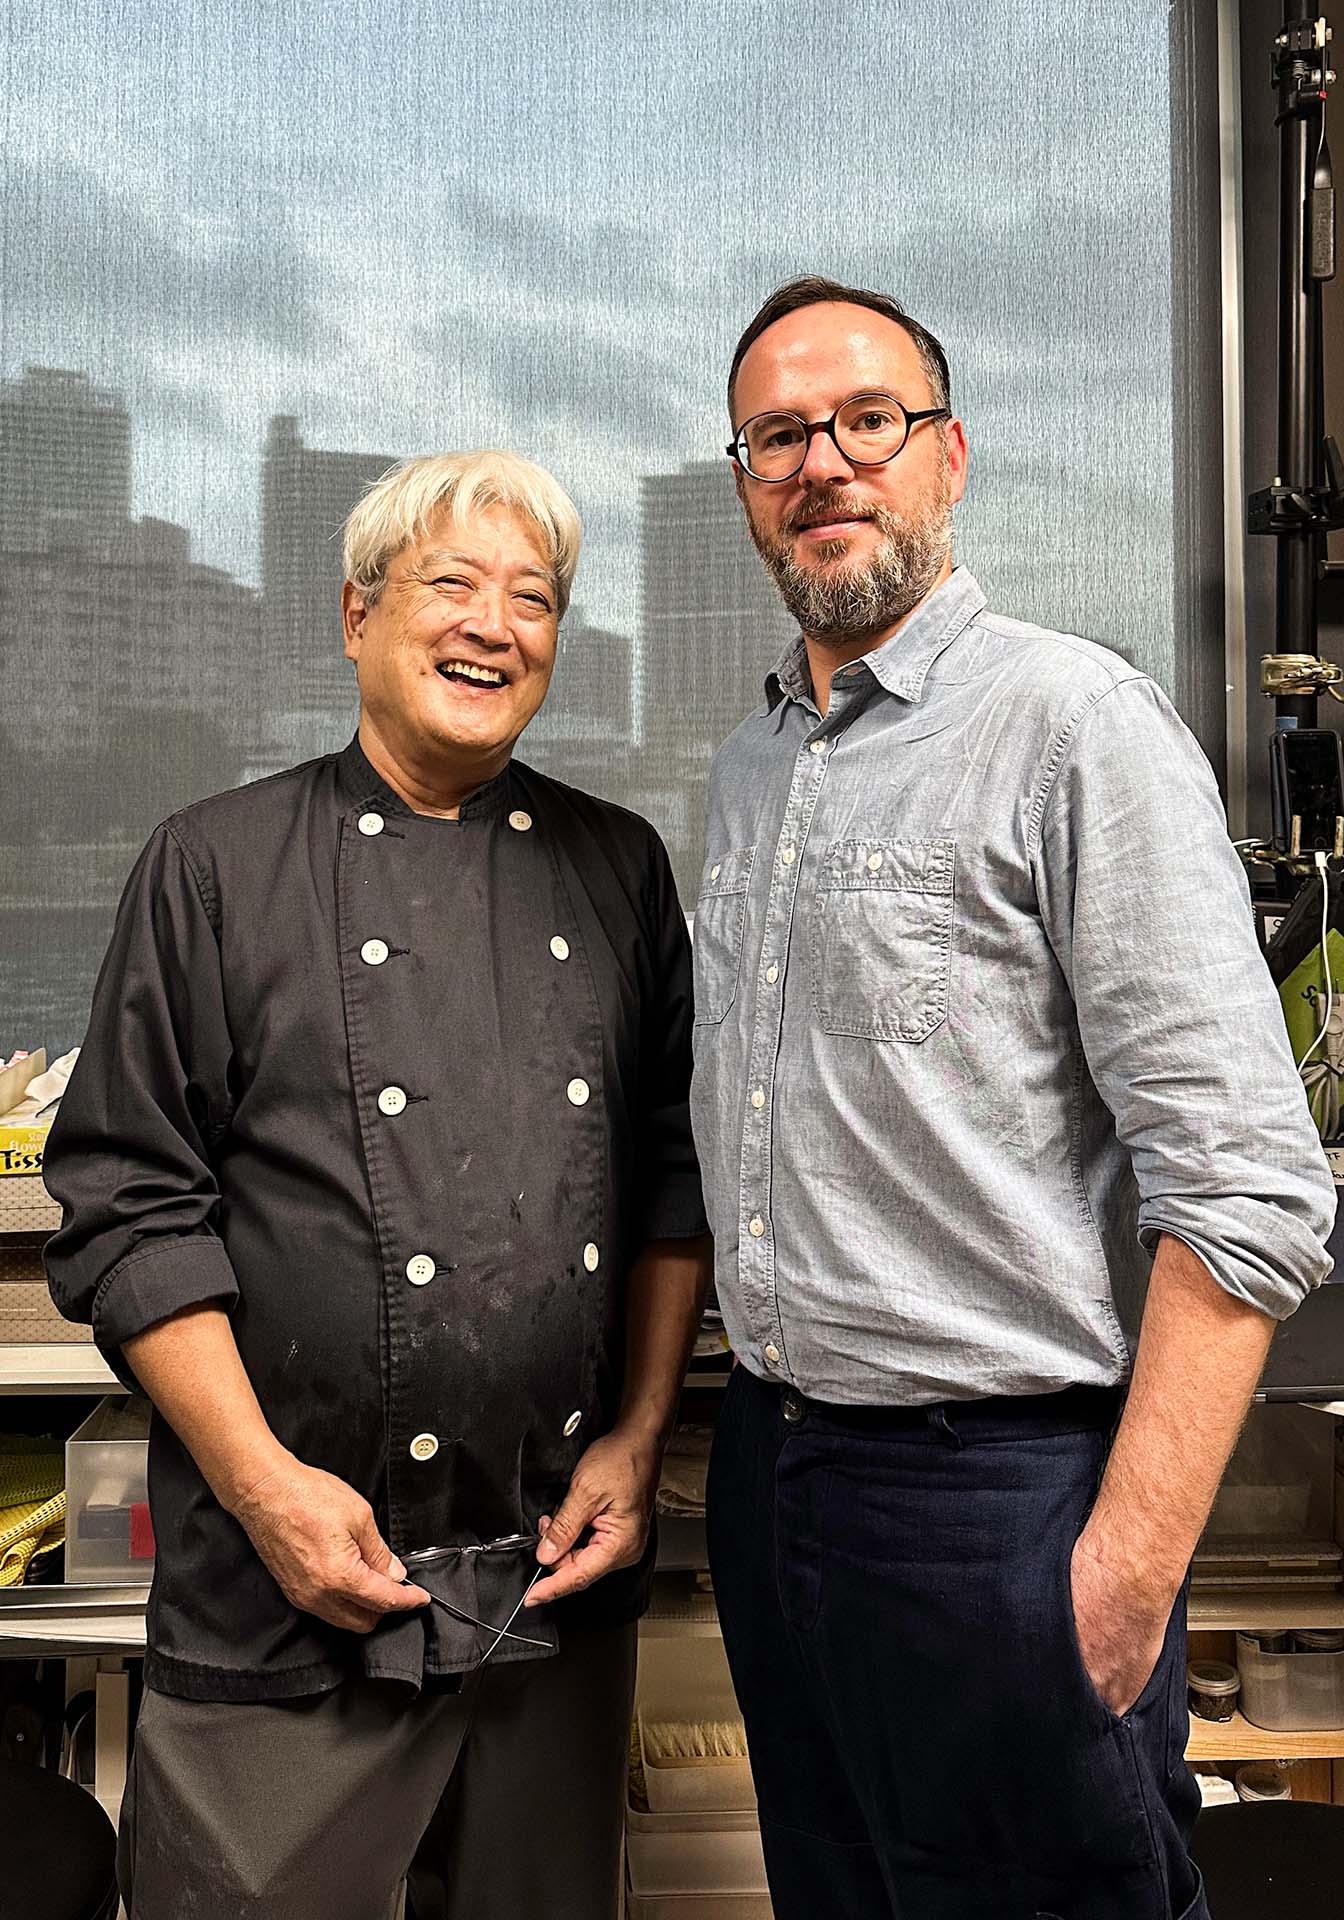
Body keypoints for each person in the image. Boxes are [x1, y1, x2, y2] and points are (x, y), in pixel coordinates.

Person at [692, 276, 1335, 1920]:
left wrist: (1121, 1573)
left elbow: (1253, 1189)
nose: (824, 462)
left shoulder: (1076, 728)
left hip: (995, 1502)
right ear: (747, 483)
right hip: (774, 1471)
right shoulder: (757, 759)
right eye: (780, 436)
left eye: (867, 422)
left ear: (949, 455)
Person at [44, 448, 711, 1919]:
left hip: (549, 1581)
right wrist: (265, 1487)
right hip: (288, 1591)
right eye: (452, 584)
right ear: (358, 615)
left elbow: (672, 1182)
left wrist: (643, 1438)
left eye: (533, 597)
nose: (495, 624)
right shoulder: (213, 867)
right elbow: (127, 1206)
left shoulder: (618, 865)